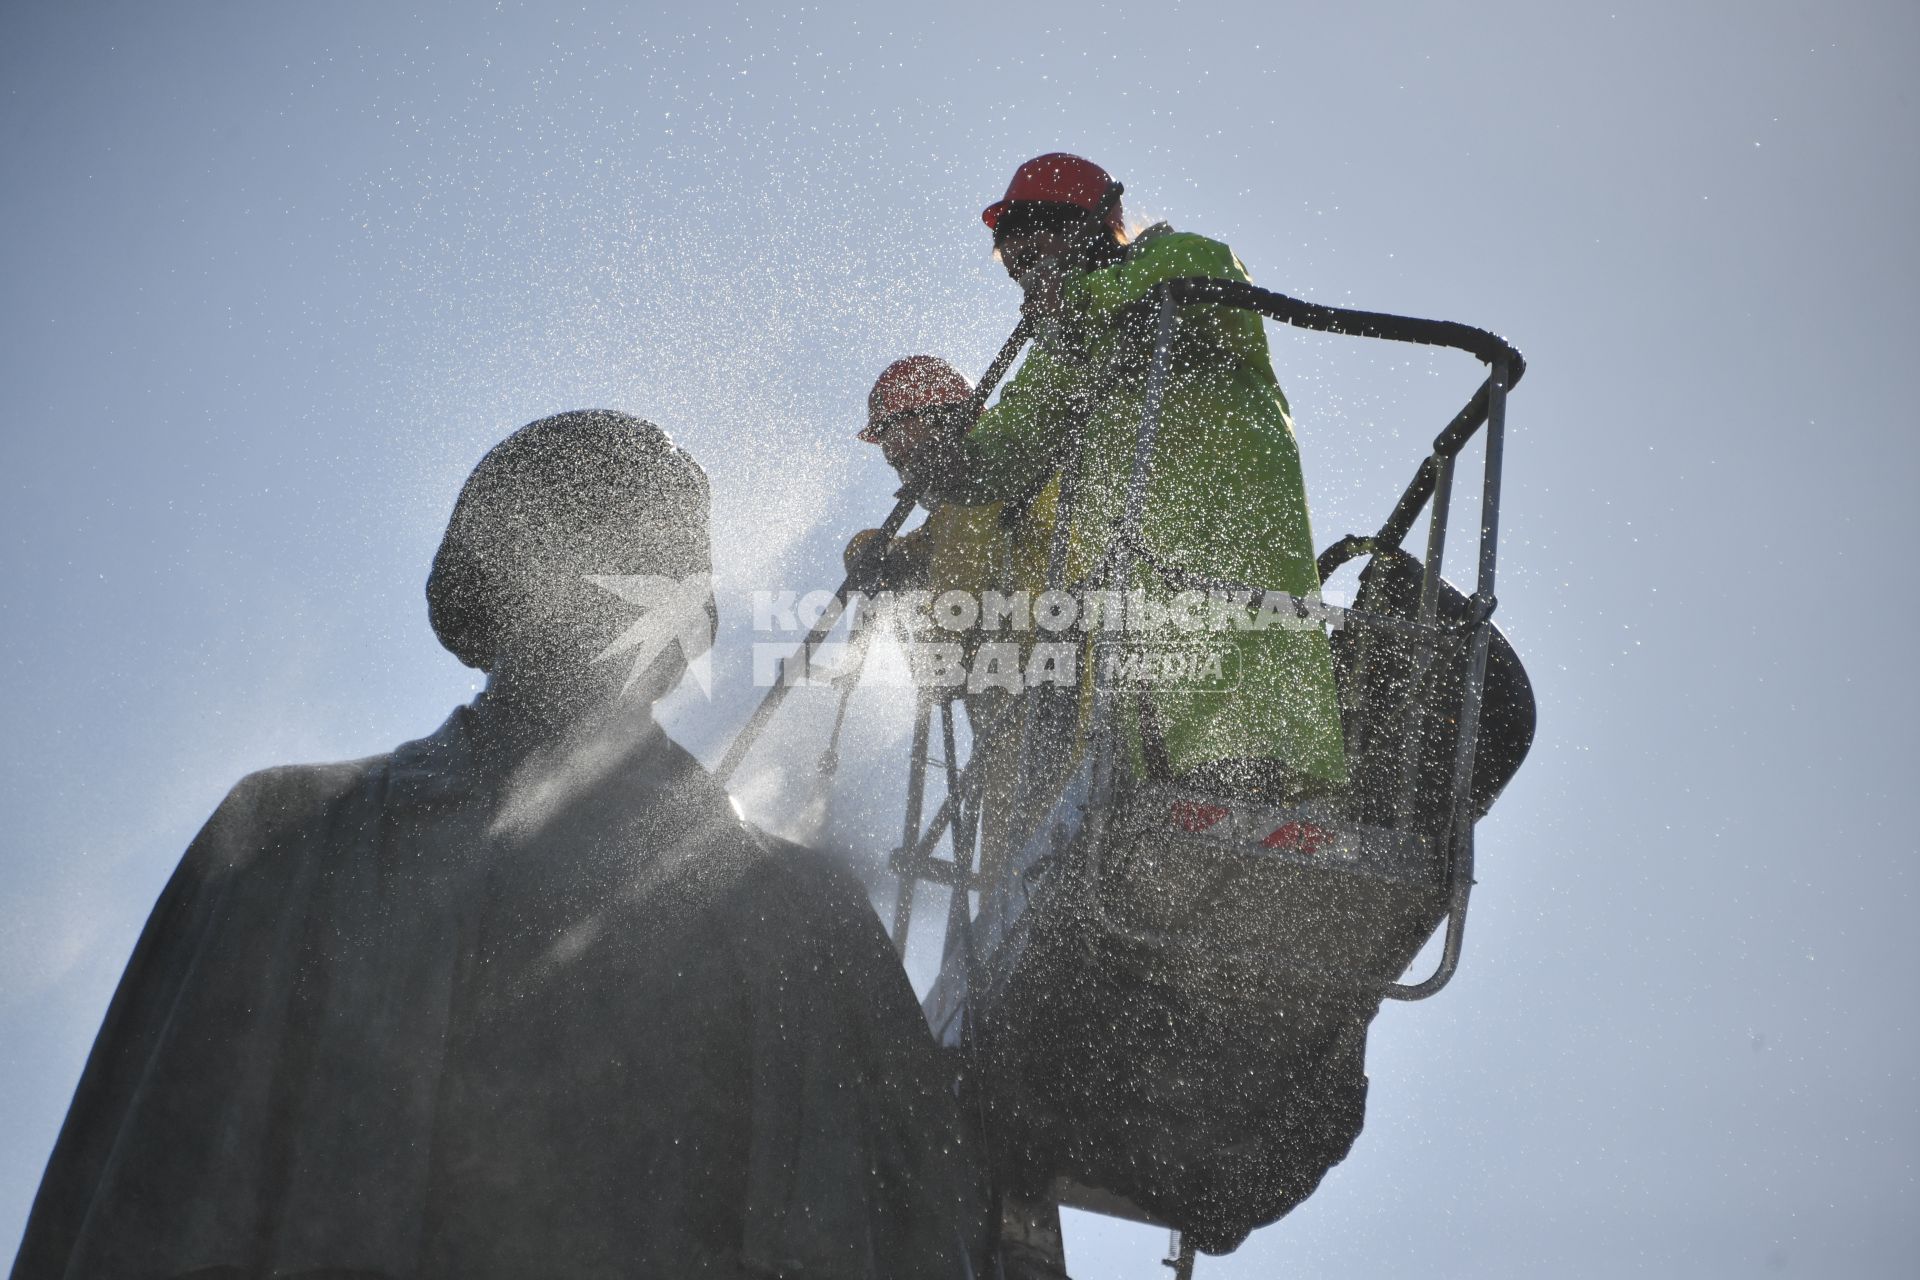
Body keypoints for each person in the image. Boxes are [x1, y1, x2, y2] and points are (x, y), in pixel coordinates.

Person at [12, 410, 986, 1280]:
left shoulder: (806, 918)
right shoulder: (284, 842)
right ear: (491, 593)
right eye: (576, 563)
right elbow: (130, 1217)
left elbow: (911, 1235)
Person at [914, 152, 1350, 803]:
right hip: (1143, 637)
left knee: (1245, 735)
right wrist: (939, 462)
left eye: (1040, 241)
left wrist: (1075, 302)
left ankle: (1277, 783)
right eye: (1014, 256)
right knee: (1145, 762)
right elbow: (998, 457)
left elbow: (1165, 294)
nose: (1027, 268)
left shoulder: (1183, 266)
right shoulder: (1066, 356)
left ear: (1096, 227)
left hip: (1238, 601)